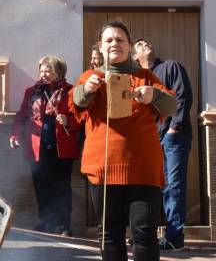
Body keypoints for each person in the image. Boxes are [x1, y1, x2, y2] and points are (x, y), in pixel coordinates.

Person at [70, 20, 177, 261]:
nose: (114, 44)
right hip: (104, 169)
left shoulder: (146, 77)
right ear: (100, 46)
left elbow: (172, 106)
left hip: (143, 169)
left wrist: (155, 94)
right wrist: (87, 89)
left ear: (130, 46)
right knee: (109, 234)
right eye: (109, 40)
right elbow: (76, 102)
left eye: (120, 39)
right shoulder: (91, 76)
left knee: (144, 232)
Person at [133, 39, 193, 251]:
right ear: (134, 57)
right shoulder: (137, 78)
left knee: (173, 186)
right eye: (139, 44)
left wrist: (174, 127)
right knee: (152, 187)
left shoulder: (170, 66)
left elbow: (183, 96)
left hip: (173, 137)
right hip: (149, 139)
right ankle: (147, 235)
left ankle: (174, 237)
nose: (145, 44)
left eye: (146, 43)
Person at [10, 55, 79, 237]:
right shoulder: (32, 92)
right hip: (36, 146)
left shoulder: (70, 92)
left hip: (61, 146)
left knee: (62, 186)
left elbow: (80, 118)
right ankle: (45, 221)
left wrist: (68, 120)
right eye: (41, 70)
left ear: (59, 72)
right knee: (41, 185)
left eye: (48, 70)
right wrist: (15, 134)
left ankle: (64, 225)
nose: (43, 73)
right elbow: (22, 116)